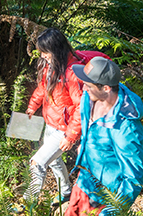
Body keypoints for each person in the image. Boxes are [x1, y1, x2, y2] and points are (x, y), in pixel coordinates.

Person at [23, 29, 107, 205]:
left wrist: (70, 136)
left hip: (64, 128)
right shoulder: (52, 65)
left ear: (56, 49)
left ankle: (27, 203)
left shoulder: (73, 73)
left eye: (45, 52)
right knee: (54, 161)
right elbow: (42, 88)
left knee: (37, 163)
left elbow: (80, 107)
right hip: (51, 122)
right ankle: (66, 191)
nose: (42, 56)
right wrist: (32, 107)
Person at [66, 56, 143, 216]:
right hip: (83, 181)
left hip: (103, 198)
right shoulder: (90, 98)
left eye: (88, 85)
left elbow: (134, 178)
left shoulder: (126, 128)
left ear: (106, 88)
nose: (83, 88)